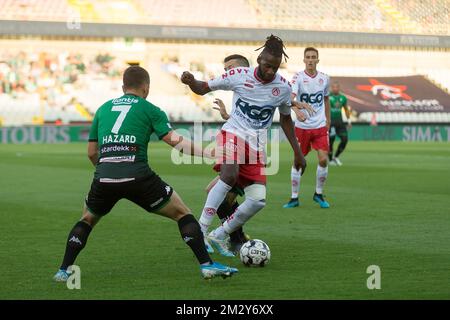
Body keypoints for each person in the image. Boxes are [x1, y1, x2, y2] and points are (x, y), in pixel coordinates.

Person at [53, 66, 238, 282]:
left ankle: (64, 270)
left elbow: (92, 152)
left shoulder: (103, 109)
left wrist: (107, 171)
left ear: (123, 87)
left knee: (86, 220)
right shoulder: (150, 109)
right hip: (139, 176)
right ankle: (207, 265)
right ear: (146, 88)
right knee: (182, 214)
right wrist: (208, 152)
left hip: (104, 176)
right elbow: (175, 141)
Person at [181, 35, 307, 257]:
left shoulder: (283, 87)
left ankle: (219, 234)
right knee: (228, 176)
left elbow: (286, 119)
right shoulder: (238, 75)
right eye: (267, 66)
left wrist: (298, 152)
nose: (270, 71)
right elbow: (203, 87)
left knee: (258, 200)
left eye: (275, 68)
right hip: (233, 133)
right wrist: (191, 81)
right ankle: (200, 230)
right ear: (259, 59)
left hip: (256, 146)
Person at [204, 54, 251, 255]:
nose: (226, 72)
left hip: (247, 153)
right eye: (225, 69)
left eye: (230, 68)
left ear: (242, 69)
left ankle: (235, 239)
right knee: (213, 192)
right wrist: (227, 116)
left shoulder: (257, 88)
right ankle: (236, 236)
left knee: (223, 197)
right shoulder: (241, 90)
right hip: (238, 148)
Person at [283, 47, 331, 209]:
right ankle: (294, 197)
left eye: (313, 57)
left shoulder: (324, 78)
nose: (310, 60)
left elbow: (326, 99)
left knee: (323, 159)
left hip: (320, 125)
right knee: (298, 162)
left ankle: (318, 193)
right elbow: (290, 99)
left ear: (318, 60)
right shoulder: (297, 78)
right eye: (308, 57)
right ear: (304, 60)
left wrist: (328, 121)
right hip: (302, 127)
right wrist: (297, 111)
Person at [328, 81, 351, 166]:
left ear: (339, 88)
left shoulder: (343, 98)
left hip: (340, 122)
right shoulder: (327, 97)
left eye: (336, 87)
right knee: (331, 140)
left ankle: (336, 157)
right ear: (331, 88)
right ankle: (330, 160)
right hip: (331, 122)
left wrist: (349, 121)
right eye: (333, 87)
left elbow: (346, 109)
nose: (335, 89)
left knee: (345, 139)